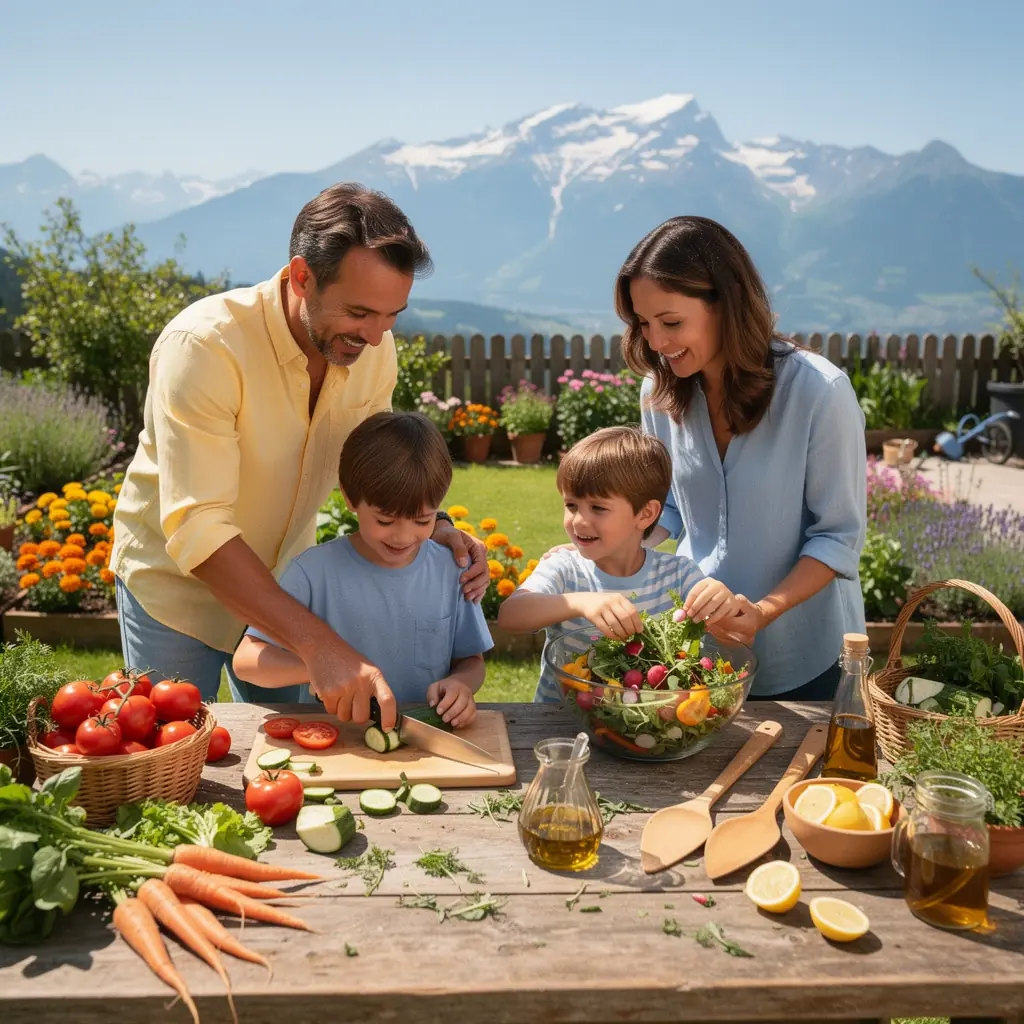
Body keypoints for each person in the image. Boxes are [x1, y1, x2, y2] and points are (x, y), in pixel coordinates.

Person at [111, 183, 488, 726]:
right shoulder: (205, 346)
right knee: (169, 760)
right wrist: (319, 645)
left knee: (292, 757)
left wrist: (438, 525)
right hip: (175, 591)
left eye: (392, 316)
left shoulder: (372, 352)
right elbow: (199, 526)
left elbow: (371, 469)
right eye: (361, 312)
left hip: (291, 581)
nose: (378, 337)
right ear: (302, 275)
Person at [616, 215, 866, 700]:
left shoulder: (819, 392)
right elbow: (667, 508)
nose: (656, 343)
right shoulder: (661, 391)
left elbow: (837, 538)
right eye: (643, 324)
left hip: (807, 657)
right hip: (703, 646)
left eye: (671, 322)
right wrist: (608, 539)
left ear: (726, 304)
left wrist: (764, 611)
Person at [233, 412, 492, 727]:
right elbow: (246, 661)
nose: (403, 537)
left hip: (424, 743)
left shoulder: (452, 571)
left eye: (423, 520)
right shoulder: (313, 572)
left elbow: (471, 661)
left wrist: (462, 684)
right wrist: (319, 664)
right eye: (385, 520)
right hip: (336, 740)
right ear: (349, 496)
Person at [498, 426, 743, 703]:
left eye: (598, 508)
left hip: (652, 725)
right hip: (560, 725)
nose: (579, 521)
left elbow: (735, 640)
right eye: (571, 505)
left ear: (645, 513)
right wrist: (580, 603)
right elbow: (510, 616)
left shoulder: (678, 575)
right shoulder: (565, 569)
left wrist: (724, 604)